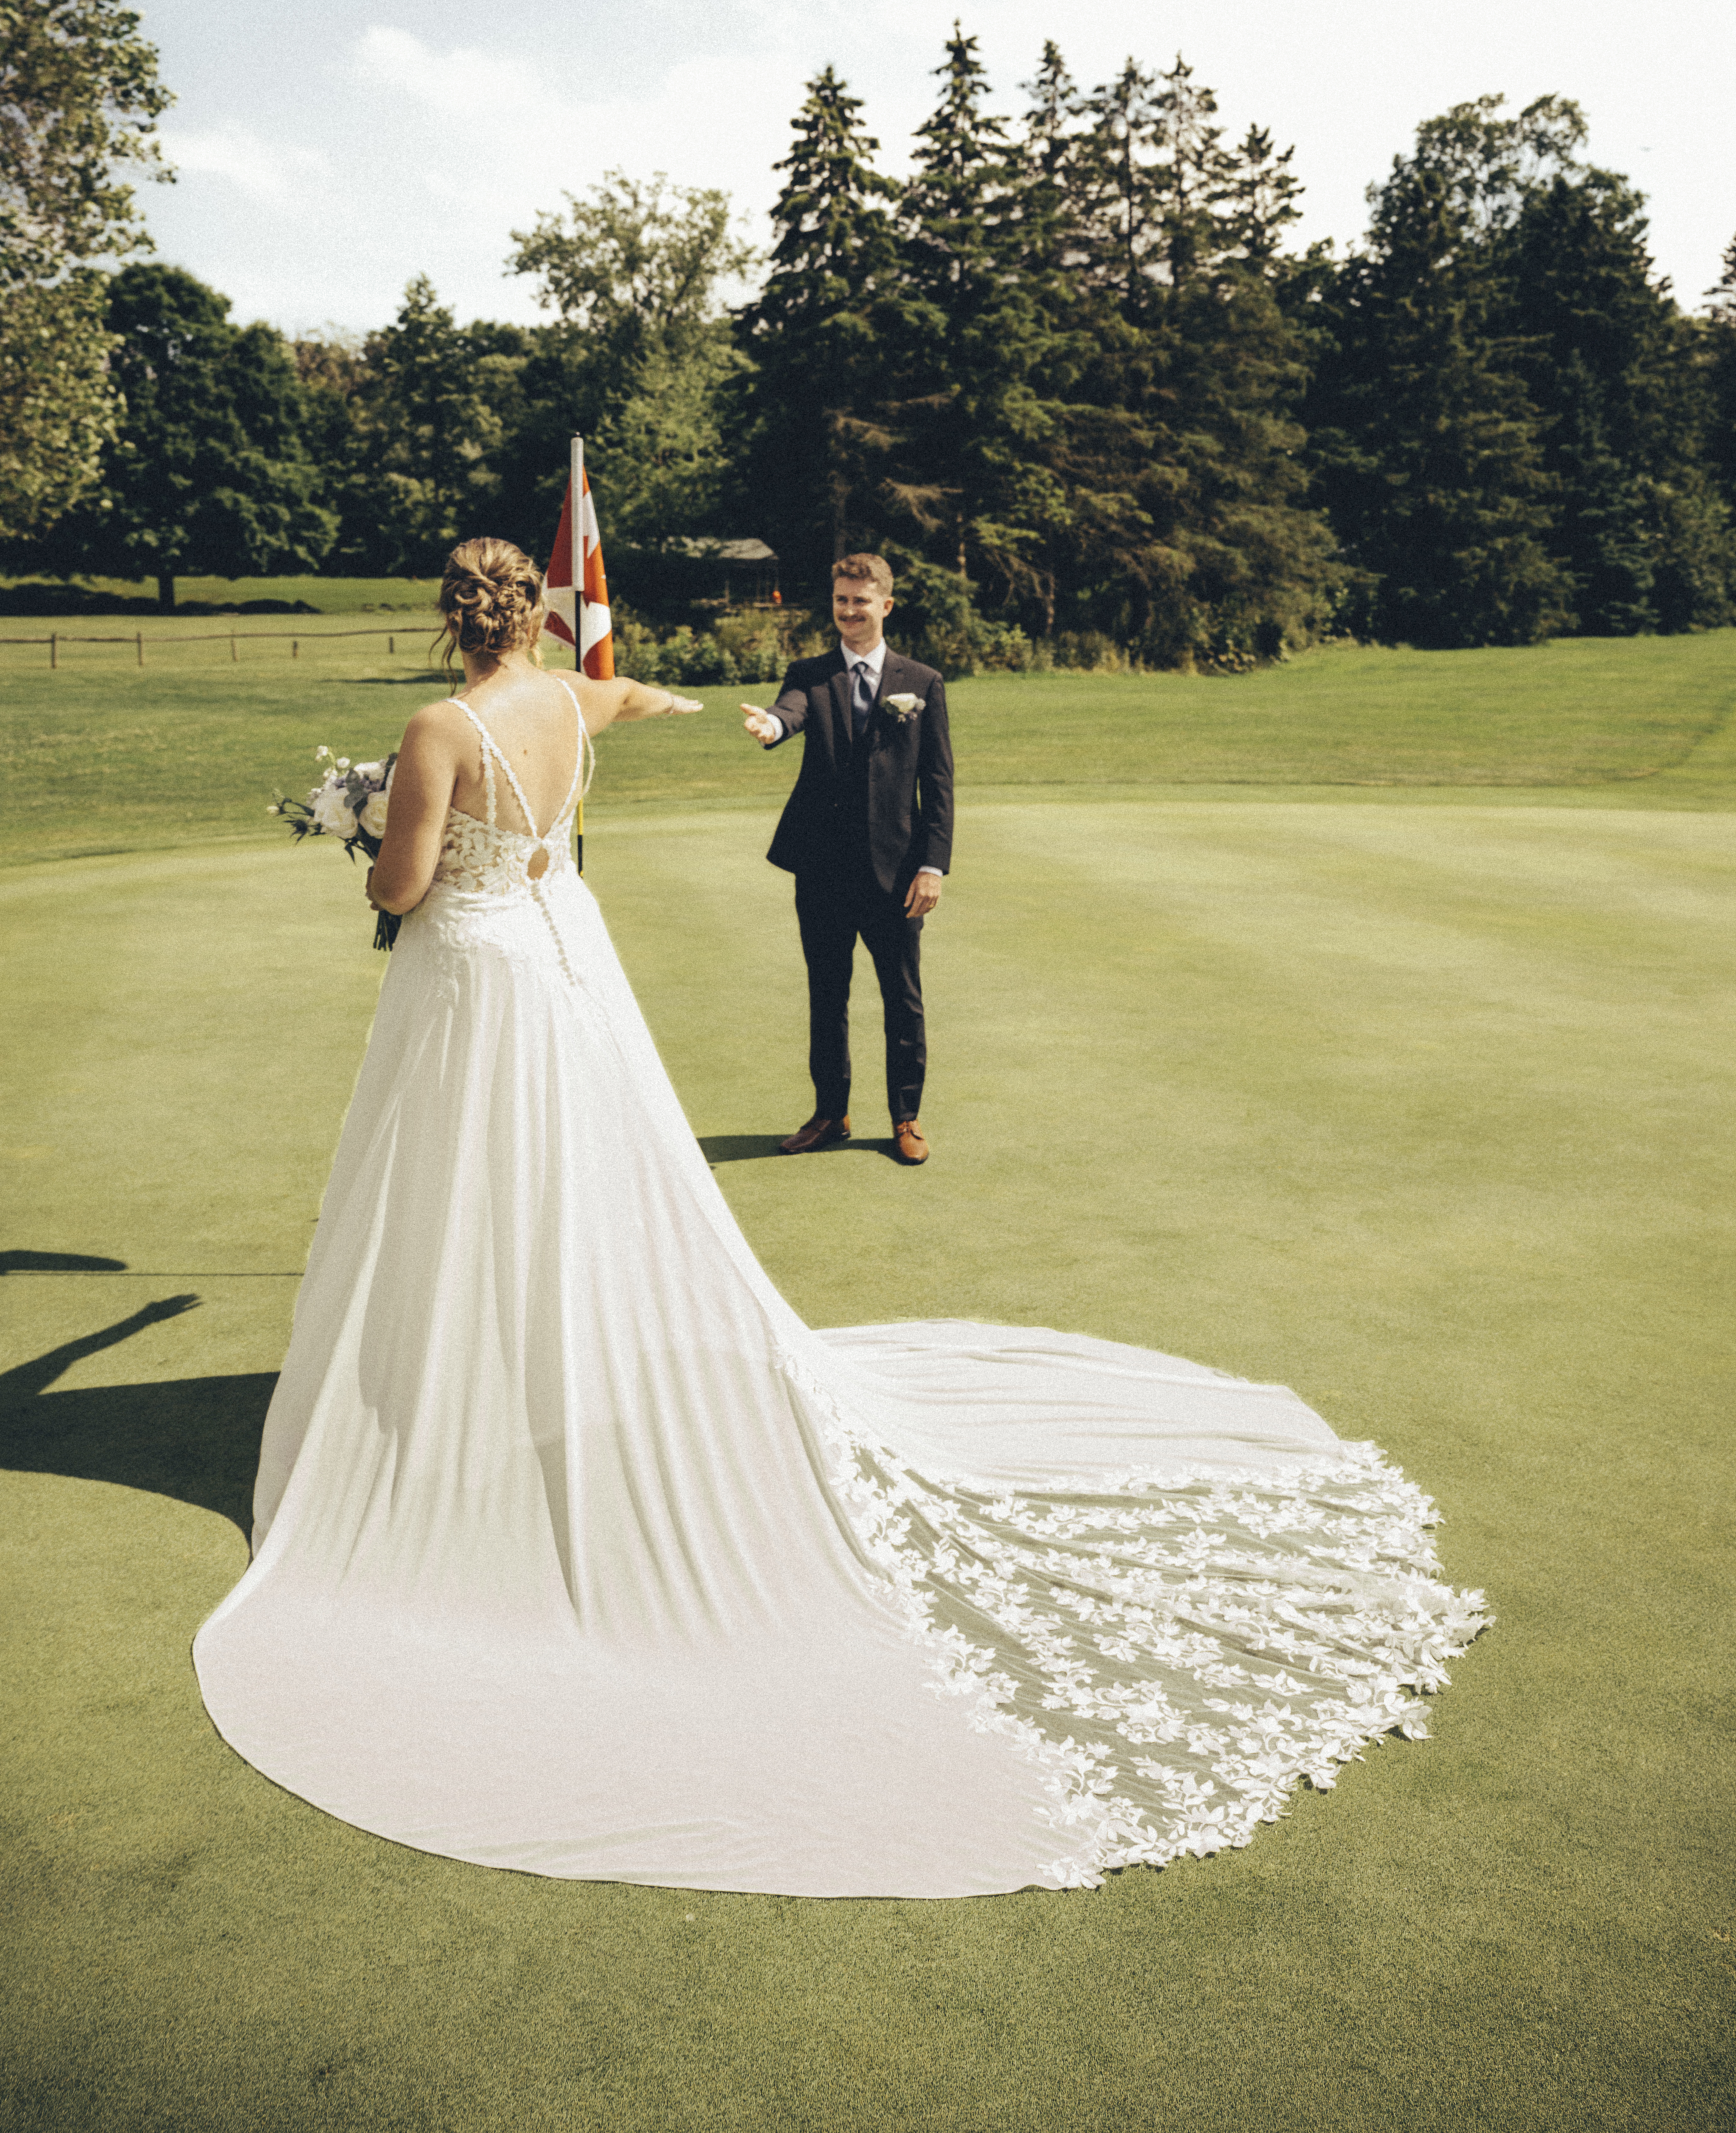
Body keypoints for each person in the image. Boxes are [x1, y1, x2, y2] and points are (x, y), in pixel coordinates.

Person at [192, 535, 1486, 1899]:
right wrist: (671, 702)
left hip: (470, 973)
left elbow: (402, 888)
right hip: (558, 957)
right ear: (531, 617)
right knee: (569, 1165)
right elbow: (616, 710)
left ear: (450, 621)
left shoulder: (437, 726)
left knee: (465, 1173)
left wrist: (364, 830)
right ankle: (536, 1354)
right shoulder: (570, 698)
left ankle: (459, 1381)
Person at [740, 554, 951, 1164]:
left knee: (902, 999)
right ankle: (831, 1114)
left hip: (897, 875)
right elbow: (790, 714)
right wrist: (772, 729)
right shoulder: (809, 672)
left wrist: (932, 866)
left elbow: (938, 784)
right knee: (827, 995)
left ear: (886, 605)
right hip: (823, 868)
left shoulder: (923, 682)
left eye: (861, 601)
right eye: (840, 600)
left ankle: (905, 1119)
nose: (849, 611)